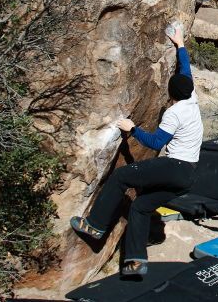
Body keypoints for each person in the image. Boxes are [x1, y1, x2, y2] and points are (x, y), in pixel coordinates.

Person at [70, 26, 203, 276]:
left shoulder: (174, 112)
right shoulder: (192, 99)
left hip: (175, 166)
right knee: (140, 206)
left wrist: (133, 129)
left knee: (121, 176)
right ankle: (135, 262)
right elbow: (186, 71)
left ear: (170, 93)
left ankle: (95, 226)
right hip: (189, 176)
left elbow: (155, 143)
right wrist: (180, 44)